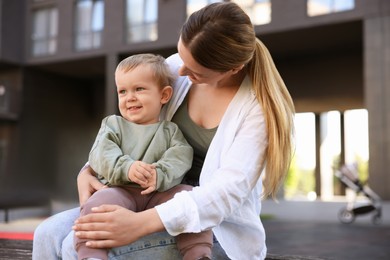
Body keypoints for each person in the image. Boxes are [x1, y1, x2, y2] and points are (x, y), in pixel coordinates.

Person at [33, 2, 294, 260]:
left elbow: (225, 195)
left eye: (193, 70)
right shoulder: (175, 69)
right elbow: (134, 129)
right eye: (181, 56)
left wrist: (138, 224)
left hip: (209, 226)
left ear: (232, 69)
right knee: (46, 233)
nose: (179, 70)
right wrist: (87, 171)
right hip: (144, 196)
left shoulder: (257, 111)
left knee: (72, 246)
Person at [73, 53, 214, 260]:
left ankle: (198, 253)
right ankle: (91, 254)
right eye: (123, 91)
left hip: (159, 192)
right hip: (120, 191)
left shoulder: (171, 131)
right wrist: (127, 167)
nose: (130, 97)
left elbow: (180, 157)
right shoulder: (113, 125)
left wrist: (160, 173)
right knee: (98, 204)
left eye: (139, 89)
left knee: (187, 197)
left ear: (164, 96)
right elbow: (101, 153)